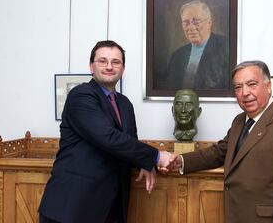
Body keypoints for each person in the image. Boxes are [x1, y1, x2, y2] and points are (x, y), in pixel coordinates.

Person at [39, 40, 173, 223]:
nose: (109, 66)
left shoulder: (125, 104)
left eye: (116, 62)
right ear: (91, 66)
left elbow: (128, 143)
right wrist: (156, 157)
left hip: (111, 207)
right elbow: (108, 138)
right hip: (71, 208)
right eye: (102, 61)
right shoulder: (81, 95)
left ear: (123, 69)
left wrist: (144, 163)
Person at [169, 60, 273, 223]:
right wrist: (180, 160)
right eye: (238, 87)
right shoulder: (239, 121)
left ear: (268, 86)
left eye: (252, 84)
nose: (245, 92)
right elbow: (219, 152)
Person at [165, 0, 230, 90]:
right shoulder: (177, 56)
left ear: (209, 23)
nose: (191, 28)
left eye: (196, 22)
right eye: (186, 23)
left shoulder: (227, 47)